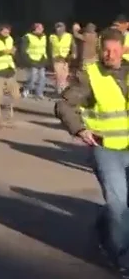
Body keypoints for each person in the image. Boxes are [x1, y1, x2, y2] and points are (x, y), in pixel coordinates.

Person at [56, 28, 129, 277]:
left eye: (115, 51)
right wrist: (78, 129)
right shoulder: (90, 75)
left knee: (123, 204)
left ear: (124, 50)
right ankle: (120, 255)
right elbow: (65, 104)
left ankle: (102, 229)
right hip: (106, 148)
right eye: (105, 50)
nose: (109, 55)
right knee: (117, 203)